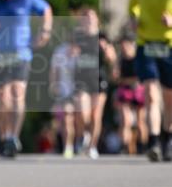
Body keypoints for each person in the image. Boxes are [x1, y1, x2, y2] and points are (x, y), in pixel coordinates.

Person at [0, 0, 53, 157]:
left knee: (17, 93)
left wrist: (45, 31)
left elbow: (46, 9)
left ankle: (13, 136)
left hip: (20, 54)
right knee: (2, 98)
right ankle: (4, 136)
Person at [128, 0, 172, 162]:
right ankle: (153, 141)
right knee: (152, 94)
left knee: (169, 97)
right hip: (146, 44)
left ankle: (167, 137)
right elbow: (132, 9)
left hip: (169, 45)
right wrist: (133, 20)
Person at [72, 8, 116, 159]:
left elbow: (112, 58)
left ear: (97, 20)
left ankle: (92, 146)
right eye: (86, 17)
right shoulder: (77, 36)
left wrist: (107, 50)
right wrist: (73, 53)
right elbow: (69, 56)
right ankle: (83, 135)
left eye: (92, 17)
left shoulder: (103, 36)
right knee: (82, 112)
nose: (89, 20)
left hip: (98, 78)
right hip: (81, 79)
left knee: (96, 115)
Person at [114, 33, 147, 154]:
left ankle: (143, 146)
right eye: (123, 45)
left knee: (140, 121)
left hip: (138, 91)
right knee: (126, 120)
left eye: (126, 45)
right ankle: (125, 146)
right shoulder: (120, 59)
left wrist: (135, 81)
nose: (124, 48)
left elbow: (143, 77)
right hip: (125, 89)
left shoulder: (138, 57)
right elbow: (116, 78)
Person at [50, 38, 77, 158]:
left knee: (80, 120)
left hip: (80, 91)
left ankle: (80, 140)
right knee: (66, 119)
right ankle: (67, 146)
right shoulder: (60, 51)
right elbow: (54, 70)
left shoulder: (84, 53)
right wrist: (54, 86)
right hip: (64, 92)